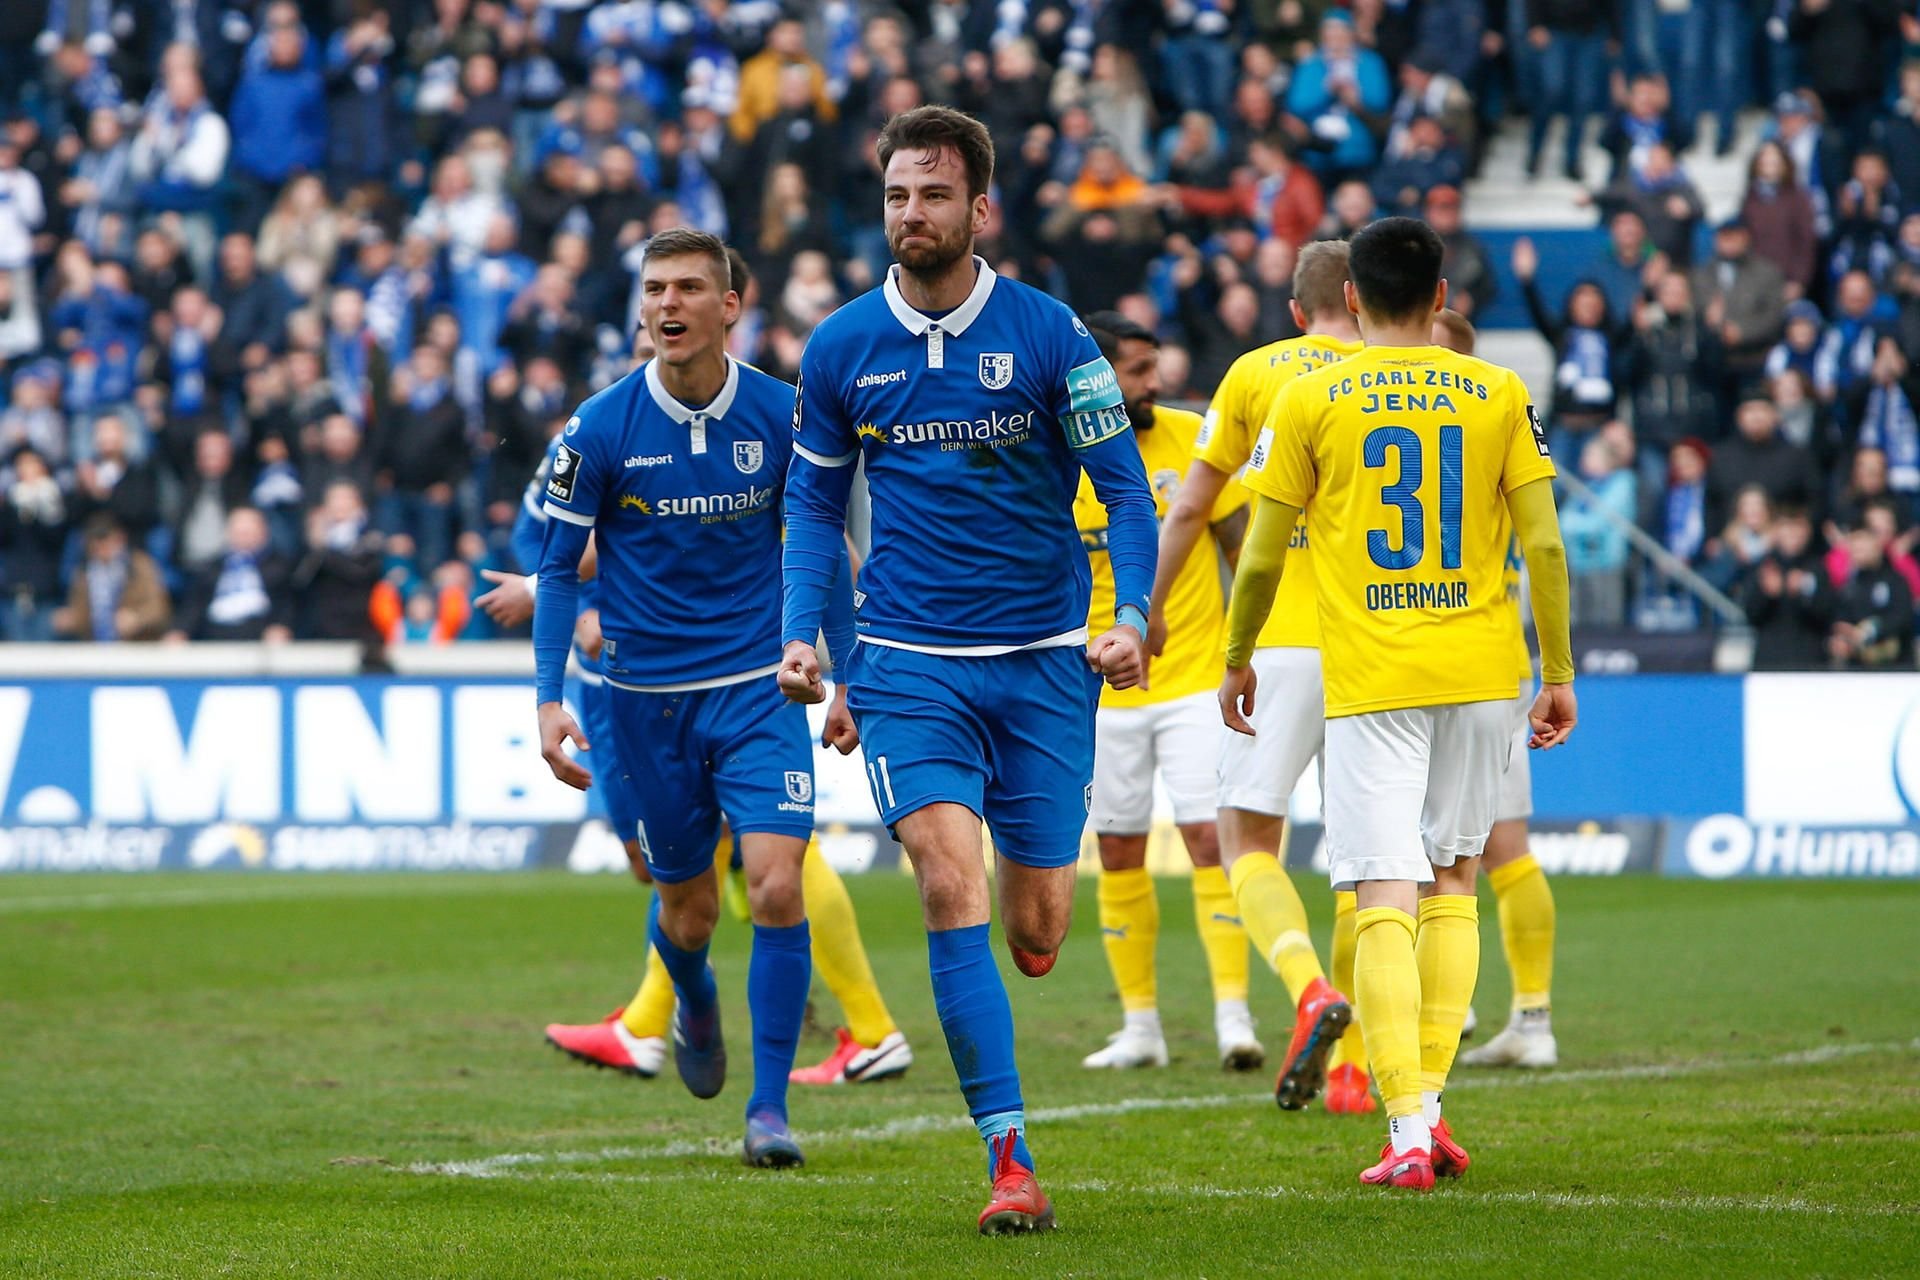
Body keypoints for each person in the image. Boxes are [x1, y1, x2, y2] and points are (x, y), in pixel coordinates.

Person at [779, 106, 1157, 1234]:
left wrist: (1130, 612)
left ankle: (1034, 934)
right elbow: (810, 499)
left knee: (1036, 923)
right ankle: (1010, 1158)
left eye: (933, 195)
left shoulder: (1050, 335)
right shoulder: (842, 346)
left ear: (979, 208)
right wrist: (811, 633)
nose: (911, 214)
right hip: (906, 663)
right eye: (897, 195)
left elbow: (1127, 490)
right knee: (950, 880)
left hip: (1045, 659)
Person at [1220, 217, 1576, 1190]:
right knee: (1454, 879)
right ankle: (1429, 1104)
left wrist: (1238, 653)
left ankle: (1409, 1127)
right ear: (1442, 290)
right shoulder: (1501, 390)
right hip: (1480, 669)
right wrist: (1559, 670)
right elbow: (1545, 546)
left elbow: (1258, 549)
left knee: (1383, 888)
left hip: (1373, 676)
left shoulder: (1307, 395)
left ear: (1346, 299)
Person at [533, 229, 853, 1171]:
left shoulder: (785, 417)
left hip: (758, 692)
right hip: (643, 705)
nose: (667, 306)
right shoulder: (597, 428)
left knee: (778, 884)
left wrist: (852, 680)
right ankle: (694, 998)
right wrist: (550, 700)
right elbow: (557, 572)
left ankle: (768, 1110)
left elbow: (825, 547)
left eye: (687, 289)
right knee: (688, 913)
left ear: (728, 308)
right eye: (654, 290)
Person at [1151, 239, 1365, 1116]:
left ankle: (1311, 992)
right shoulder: (1406, 374)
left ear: (1295, 309)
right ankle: (1358, 1075)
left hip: (1280, 641)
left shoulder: (1256, 373)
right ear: (1364, 299)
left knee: (1245, 839)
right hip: (1384, 647)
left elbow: (1194, 505)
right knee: (1373, 866)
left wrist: (1152, 605)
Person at [1072, 310, 1260, 1073]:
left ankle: (1233, 1017)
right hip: (1095, 688)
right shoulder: (1058, 456)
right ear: (1098, 377)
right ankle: (1141, 1026)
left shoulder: (1192, 440)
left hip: (1189, 683)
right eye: (1139, 370)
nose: (1156, 383)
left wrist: (1252, 652)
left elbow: (1243, 547)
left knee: (1209, 840)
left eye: (1156, 367)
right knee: (1117, 850)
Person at [1430, 310, 1562, 1070]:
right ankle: (1511, 1015)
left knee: (1475, 852)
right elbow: (1541, 537)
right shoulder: (1500, 415)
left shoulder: (1462, 419)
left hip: (1434, 660)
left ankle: (1498, 1013)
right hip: (1490, 661)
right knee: (1486, 852)